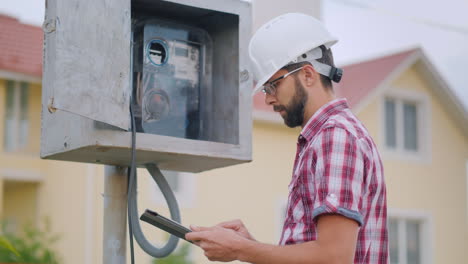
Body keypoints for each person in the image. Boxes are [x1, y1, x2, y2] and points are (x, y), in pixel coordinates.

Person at [186, 13, 388, 264]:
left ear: (308, 75)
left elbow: (334, 256)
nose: (268, 98)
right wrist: (251, 247)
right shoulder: (323, 138)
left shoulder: (335, 137)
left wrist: (241, 249)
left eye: (273, 85)